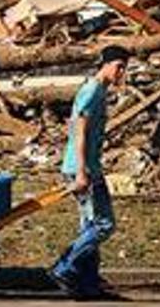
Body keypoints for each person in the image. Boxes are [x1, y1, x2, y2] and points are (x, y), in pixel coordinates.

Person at [50, 45, 130, 300]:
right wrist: (83, 171)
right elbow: (79, 131)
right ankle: (64, 268)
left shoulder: (99, 90)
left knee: (89, 225)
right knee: (103, 224)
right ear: (105, 65)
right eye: (118, 66)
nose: (121, 72)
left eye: (123, 68)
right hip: (82, 168)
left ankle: (88, 282)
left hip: (85, 166)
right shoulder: (92, 90)